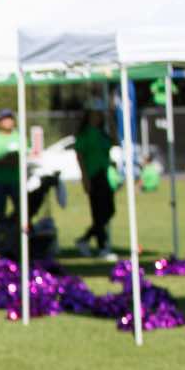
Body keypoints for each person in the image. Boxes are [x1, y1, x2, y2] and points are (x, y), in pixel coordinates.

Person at [71, 110, 117, 259]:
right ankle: (102, 246)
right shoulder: (85, 134)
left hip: (105, 175)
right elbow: (80, 156)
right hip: (93, 175)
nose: (98, 117)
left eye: (99, 115)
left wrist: (111, 121)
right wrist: (85, 178)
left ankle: (85, 239)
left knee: (109, 211)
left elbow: (115, 142)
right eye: (95, 115)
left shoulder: (102, 134)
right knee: (98, 212)